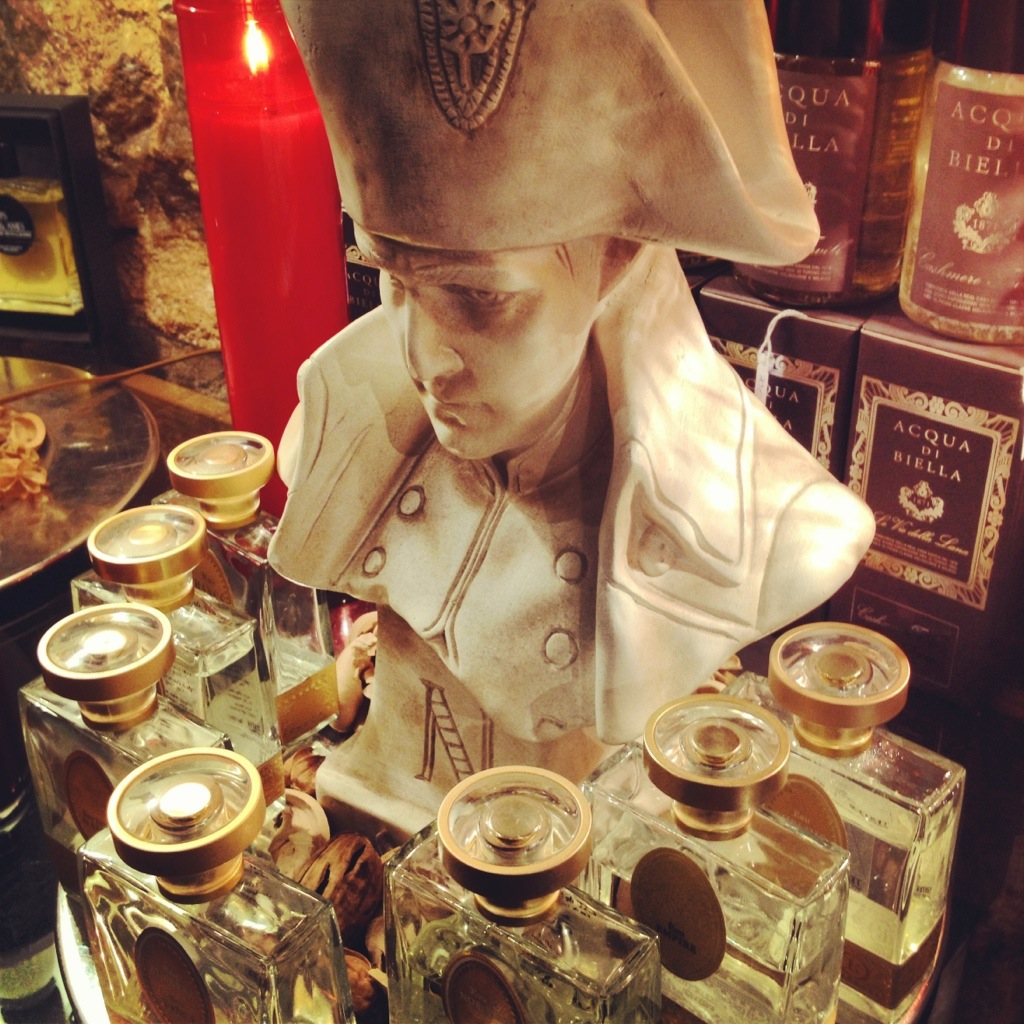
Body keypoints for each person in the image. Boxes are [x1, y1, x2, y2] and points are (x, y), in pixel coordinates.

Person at [269, 0, 875, 840]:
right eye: (392, 279)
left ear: (614, 265)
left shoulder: (781, 527)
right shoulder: (341, 440)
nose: (425, 359)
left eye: (481, 299)